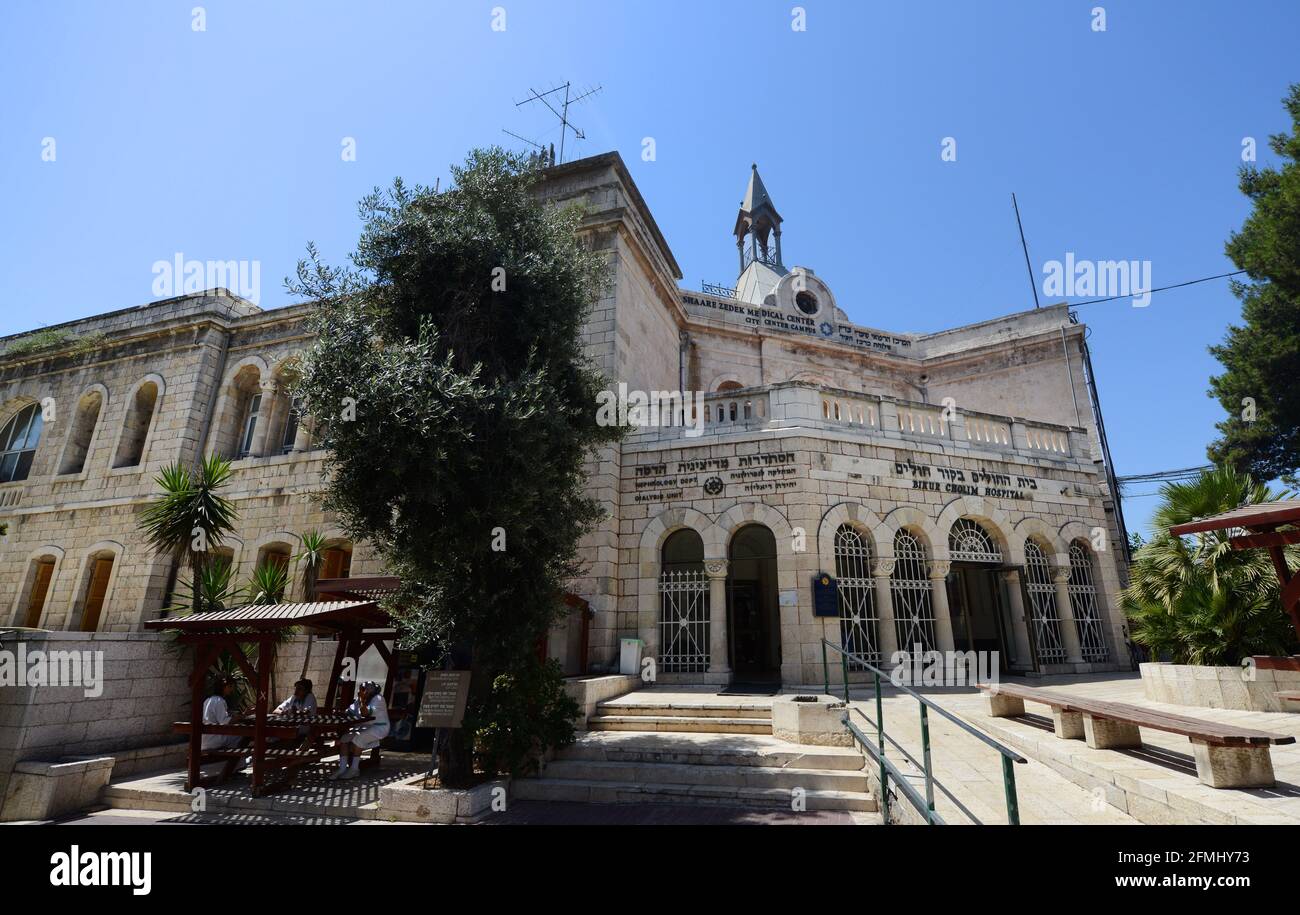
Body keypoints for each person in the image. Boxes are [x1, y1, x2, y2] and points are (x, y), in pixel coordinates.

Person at [331, 680, 389, 780]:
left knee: (359, 738)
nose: (363, 691)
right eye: (362, 689)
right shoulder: (361, 699)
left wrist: (362, 699)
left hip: (379, 727)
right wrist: (340, 713)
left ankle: (354, 769)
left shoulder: (378, 699)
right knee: (344, 738)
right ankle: (342, 768)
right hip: (364, 727)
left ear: (372, 690)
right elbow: (350, 711)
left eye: (365, 689)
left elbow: (365, 713)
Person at [201, 676, 242, 751]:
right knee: (242, 735)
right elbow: (224, 721)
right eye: (230, 687)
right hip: (214, 740)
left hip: (205, 738)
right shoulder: (219, 701)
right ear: (223, 687)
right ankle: (234, 759)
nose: (231, 689)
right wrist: (242, 716)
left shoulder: (208, 700)